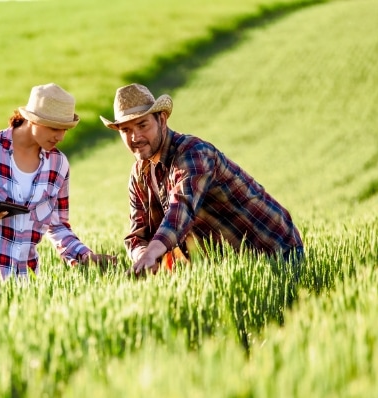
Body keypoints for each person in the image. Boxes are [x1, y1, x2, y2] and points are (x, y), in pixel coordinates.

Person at [100, 83, 303, 276]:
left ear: (162, 120)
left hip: (275, 253)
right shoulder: (139, 175)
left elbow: (181, 210)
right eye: (126, 130)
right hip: (229, 267)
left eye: (142, 125)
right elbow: (137, 235)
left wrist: (153, 253)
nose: (135, 137)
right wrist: (142, 259)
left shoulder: (193, 154)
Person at [0, 83, 115, 284]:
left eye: (65, 129)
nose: (60, 137)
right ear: (32, 120)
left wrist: (85, 256)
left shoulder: (58, 166)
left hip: (24, 280)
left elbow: (58, 225)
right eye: (54, 128)